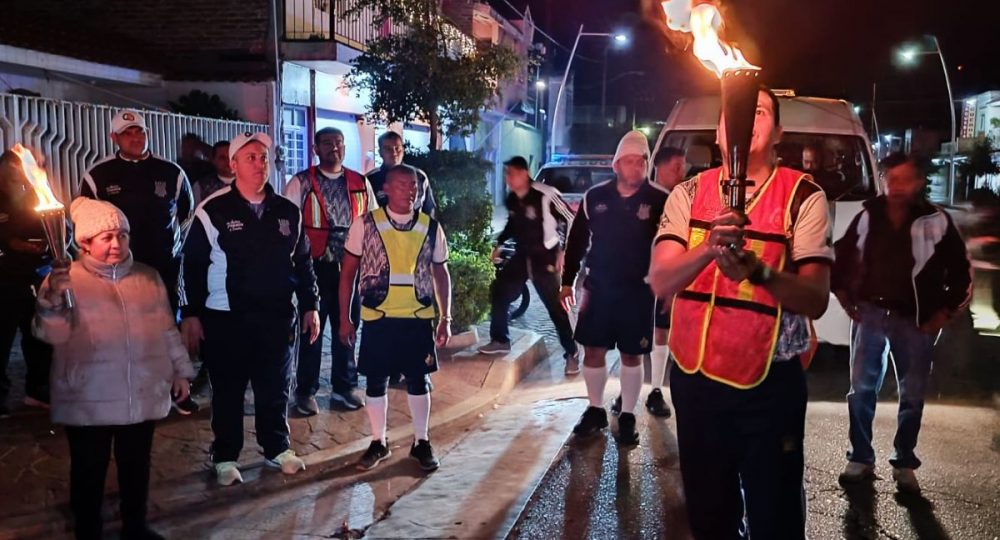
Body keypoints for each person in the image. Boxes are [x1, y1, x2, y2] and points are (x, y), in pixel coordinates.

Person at [649, 87, 832, 539]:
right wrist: (709, 248)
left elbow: (815, 298)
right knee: (710, 517)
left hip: (769, 388)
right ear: (718, 130)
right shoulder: (689, 193)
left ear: (778, 133)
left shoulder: (803, 197)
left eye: (760, 112)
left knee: (776, 517)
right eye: (736, 112)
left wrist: (759, 272)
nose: (746, 120)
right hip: (696, 383)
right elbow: (661, 279)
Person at [33, 197, 193, 540]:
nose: (116, 244)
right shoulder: (65, 280)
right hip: (89, 396)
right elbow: (51, 334)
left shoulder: (147, 277)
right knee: (89, 470)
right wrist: (53, 301)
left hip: (142, 392)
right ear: (85, 243)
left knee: (136, 467)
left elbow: (167, 328)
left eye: (122, 235)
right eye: (106, 238)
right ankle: (88, 531)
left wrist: (181, 371)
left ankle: (135, 527)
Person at [179, 132, 320, 486]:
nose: (260, 164)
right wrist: (192, 313)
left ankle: (276, 448)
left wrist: (310, 305)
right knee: (227, 390)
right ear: (234, 164)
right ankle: (225, 455)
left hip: (275, 317)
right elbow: (193, 264)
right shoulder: (212, 210)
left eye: (264, 158)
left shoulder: (287, 210)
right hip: (227, 318)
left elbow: (303, 263)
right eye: (251, 158)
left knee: (275, 387)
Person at [833, 152, 971, 493]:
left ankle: (904, 461)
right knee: (861, 390)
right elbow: (842, 255)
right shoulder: (868, 214)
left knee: (912, 394)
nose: (895, 187)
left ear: (919, 183)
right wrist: (844, 296)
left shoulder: (936, 220)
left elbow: (961, 273)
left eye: (904, 180)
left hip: (914, 321)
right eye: (890, 179)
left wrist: (942, 314)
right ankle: (861, 457)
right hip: (870, 314)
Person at [339, 164, 452, 471]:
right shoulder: (365, 224)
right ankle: (378, 442)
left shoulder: (430, 227)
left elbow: (441, 273)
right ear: (385, 189)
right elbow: (347, 274)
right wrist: (345, 318)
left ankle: (421, 442)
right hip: (379, 317)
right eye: (402, 185)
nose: (410, 190)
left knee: (419, 380)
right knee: (376, 382)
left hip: (417, 317)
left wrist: (446, 317)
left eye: (414, 185)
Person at [560, 131, 669, 446]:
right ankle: (594, 409)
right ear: (616, 164)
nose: (636, 167)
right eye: (629, 161)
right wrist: (567, 281)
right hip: (599, 286)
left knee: (632, 355)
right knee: (593, 350)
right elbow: (577, 240)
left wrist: (669, 285)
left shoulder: (660, 200)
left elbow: (669, 246)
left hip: (639, 290)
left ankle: (628, 415)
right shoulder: (595, 197)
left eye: (641, 162)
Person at [283, 127, 377, 415]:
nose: (333, 148)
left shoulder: (360, 182)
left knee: (347, 327)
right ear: (315, 148)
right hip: (313, 268)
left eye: (338, 143)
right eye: (327, 143)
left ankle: (344, 387)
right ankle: (306, 390)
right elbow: (287, 225)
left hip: (351, 268)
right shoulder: (301, 182)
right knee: (312, 329)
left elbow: (372, 224)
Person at [80, 110, 193, 315]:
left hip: (163, 269)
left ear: (148, 132)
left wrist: (175, 253)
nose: (135, 138)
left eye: (139, 131)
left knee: (165, 326)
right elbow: (85, 223)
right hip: (117, 271)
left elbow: (187, 218)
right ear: (113, 138)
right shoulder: (98, 175)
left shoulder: (171, 172)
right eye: (127, 133)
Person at [478, 156, 579, 372]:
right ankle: (500, 340)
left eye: (511, 173)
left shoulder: (546, 194)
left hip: (546, 257)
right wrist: (500, 243)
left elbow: (571, 220)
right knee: (500, 290)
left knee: (555, 307)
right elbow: (513, 224)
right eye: (506, 174)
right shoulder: (512, 199)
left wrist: (565, 251)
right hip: (523, 256)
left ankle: (572, 353)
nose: (507, 179)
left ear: (524, 173)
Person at [0, 150, 56, 414]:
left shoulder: (36, 195)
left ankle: (38, 390)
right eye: (13, 171)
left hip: (37, 277)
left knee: (39, 338)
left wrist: (47, 247)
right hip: (4, 279)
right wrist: (11, 244)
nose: (18, 176)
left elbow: (57, 231)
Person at [366, 131, 437, 216]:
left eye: (397, 148)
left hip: (416, 228)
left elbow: (429, 210)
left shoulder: (420, 176)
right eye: (388, 149)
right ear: (380, 152)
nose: (394, 153)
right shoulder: (369, 180)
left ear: (403, 150)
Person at [192, 141, 235, 206]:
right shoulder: (200, 186)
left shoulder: (249, 183)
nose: (228, 161)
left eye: (230, 157)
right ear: (214, 161)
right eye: (222, 158)